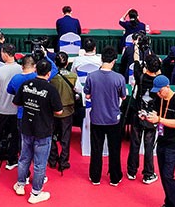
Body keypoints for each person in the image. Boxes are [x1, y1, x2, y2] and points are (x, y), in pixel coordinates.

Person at [14, 58, 62, 203]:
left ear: (36, 69)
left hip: (27, 127)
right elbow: (59, 111)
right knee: (40, 163)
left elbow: (16, 102)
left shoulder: (26, 84)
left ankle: (21, 184)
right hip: (43, 130)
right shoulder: (51, 89)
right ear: (48, 73)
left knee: (24, 158)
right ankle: (35, 193)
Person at [84, 46, 126, 186]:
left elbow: (87, 95)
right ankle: (115, 177)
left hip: (97, 117)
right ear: (114, 61)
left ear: (102, 59)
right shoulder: (119, 78)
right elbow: (123, 96)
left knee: (96, 149)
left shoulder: (91, 76)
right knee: (114, 149)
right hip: (113, 119)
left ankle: (95, 177)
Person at [148, 74, 175, 207]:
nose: (158, 94)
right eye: (157, 91)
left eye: (160, 90)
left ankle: (174, 204)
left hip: (174, 143)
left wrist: (159, 119)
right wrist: (149, 117)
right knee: (164, 175)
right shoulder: (159, 99)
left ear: (167, 87)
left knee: (168, 174)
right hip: (161, 139)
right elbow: (156, 114)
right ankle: (168, 202)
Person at [0, 44, 22, 168]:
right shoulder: (21, 69)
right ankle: (12, 160)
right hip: (16, 109)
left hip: (1, 108)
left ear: (5, 54)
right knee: (15, 135)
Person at [127, 54, 161, 183]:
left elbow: (136, 63)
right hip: (152, 116)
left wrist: (136, 50)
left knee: (134, 143)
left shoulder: (139, 76)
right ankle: (148, 174)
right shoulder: (160, 80)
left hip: (138, 114)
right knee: (149, 146)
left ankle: (131, 171)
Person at [50, 51, 78, 171]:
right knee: (65, 137)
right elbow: (79, 91)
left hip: (52, 111)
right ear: (67, 63)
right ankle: (63, 161)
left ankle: (52, 159)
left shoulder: (50, 76)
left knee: (51, 136)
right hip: (67, 111)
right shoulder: (73, 76)